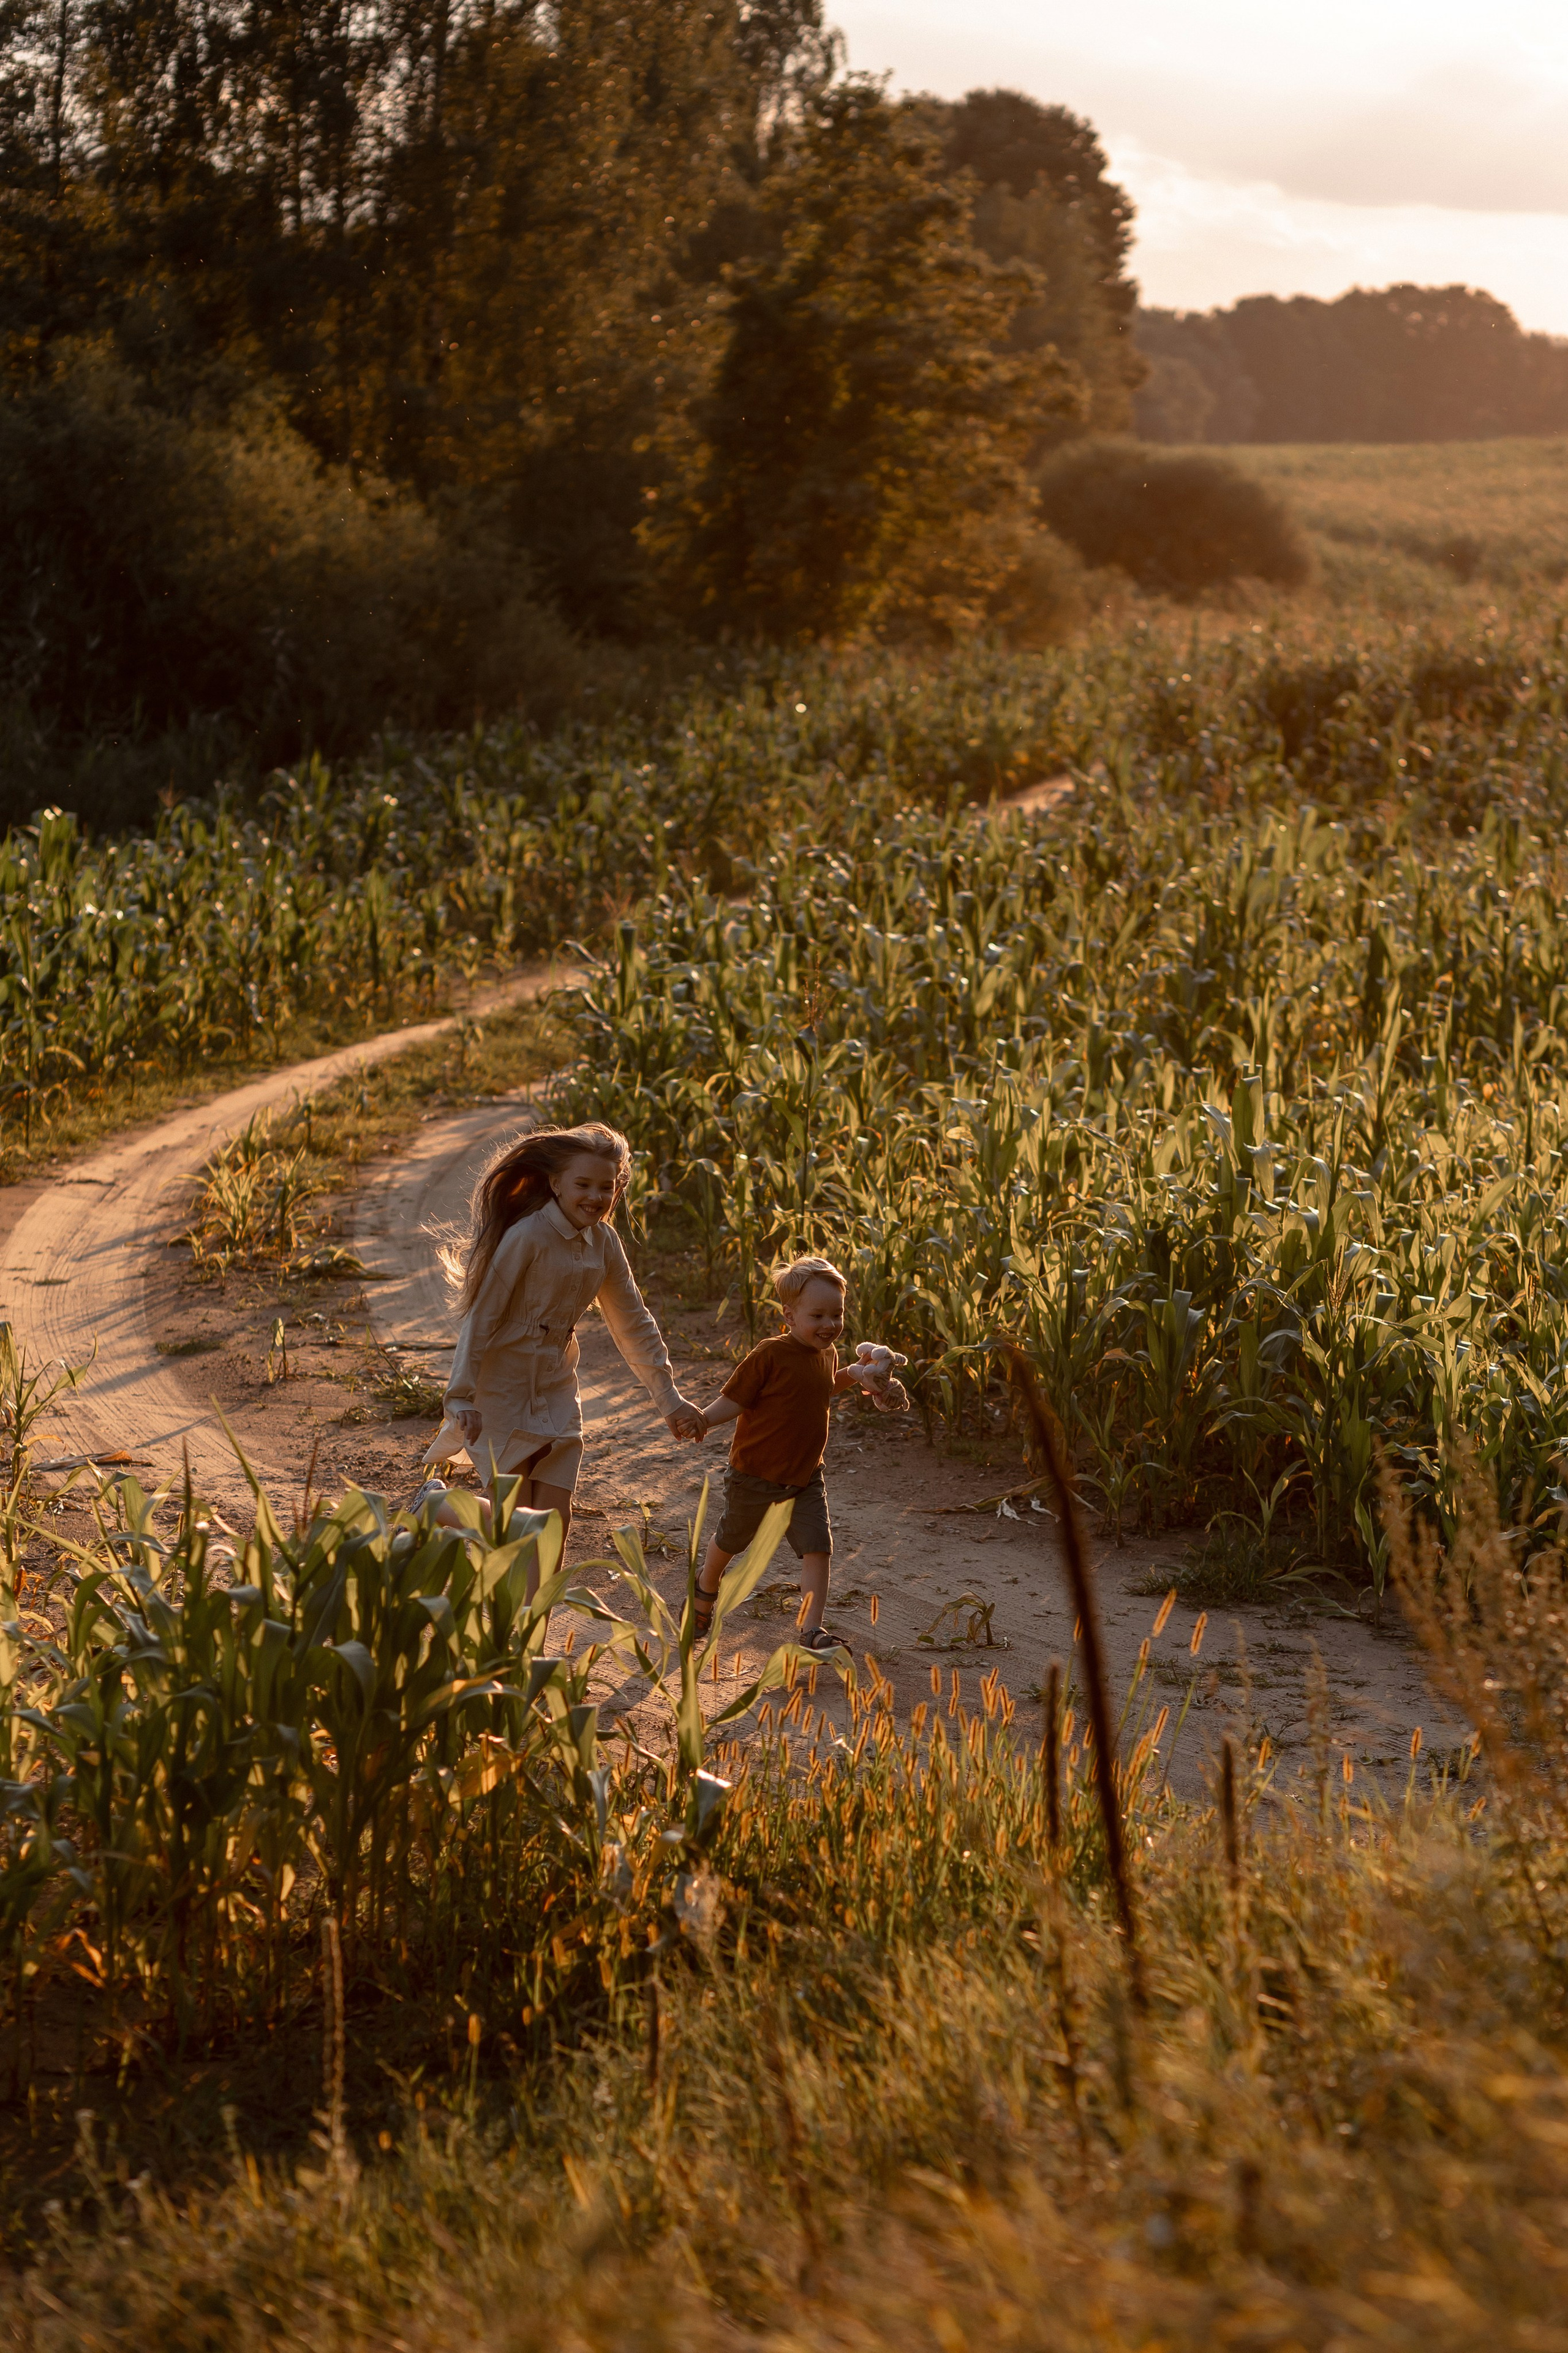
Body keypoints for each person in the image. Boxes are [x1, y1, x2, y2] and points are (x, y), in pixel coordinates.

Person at [428, 1120, 703, 1570]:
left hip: (557, 1384)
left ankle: (535, 1631)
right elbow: (483, 1318)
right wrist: (460, 1395)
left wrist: (669, 1399)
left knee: (554, 1520)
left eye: (607, 1187)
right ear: (555, 1183)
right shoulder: (527, 1236)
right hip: (503, 1385)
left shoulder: (605, 1243)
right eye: (583, 1184)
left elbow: (633, 1321)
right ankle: (436, 1506)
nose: (596, 1197)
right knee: (510, 1526)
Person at [687, 1254, 901, 1654]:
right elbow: (735, 1399)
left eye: (836, 1315)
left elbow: (823, 1388)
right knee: (733, 1538)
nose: (830, 1325)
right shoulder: (770, 1354)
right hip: (754, 1473)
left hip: (805, 1477)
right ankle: (706, 1583)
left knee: (818, 1546)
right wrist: (703, 1419)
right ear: (790, 1315)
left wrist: (857, 1375)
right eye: (818, 1316)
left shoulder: (828, 1353)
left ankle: (811, 1630)